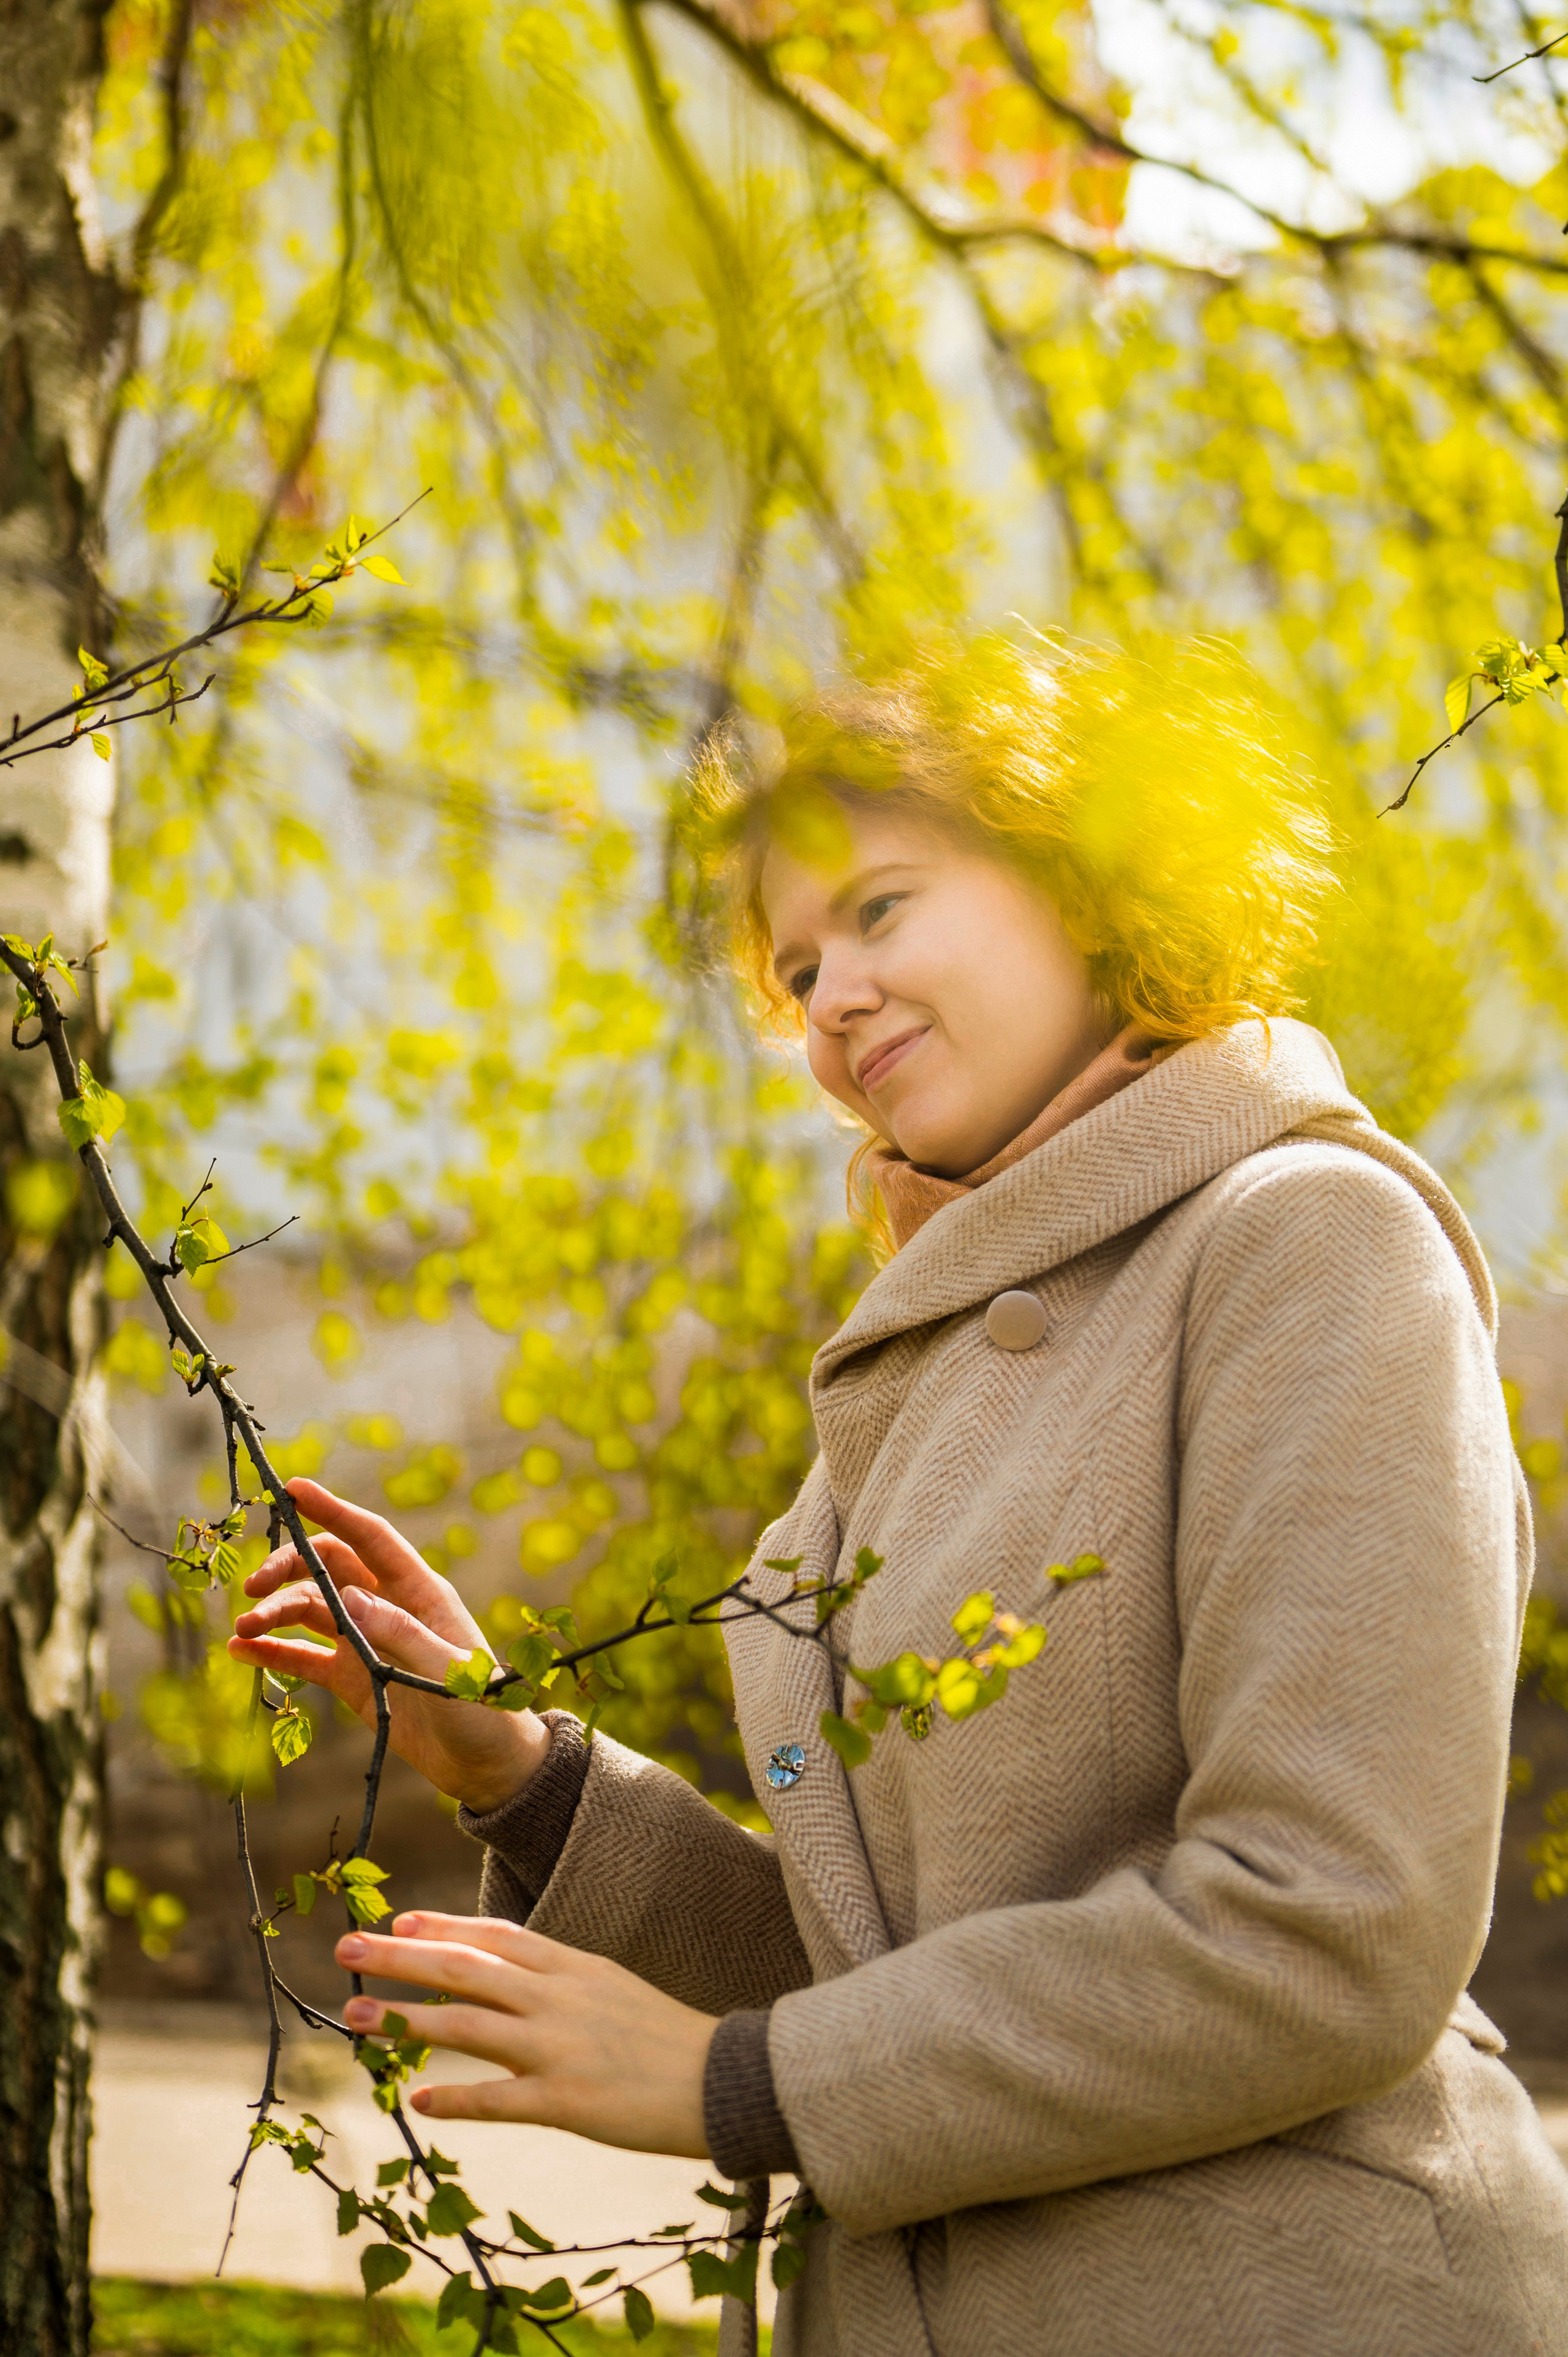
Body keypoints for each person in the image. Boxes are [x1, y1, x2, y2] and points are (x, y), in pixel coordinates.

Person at [230, 636, 1568, 2356]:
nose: (832, 995)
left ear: (1096, 889)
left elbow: (1331, 1925)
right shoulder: (926, 1357)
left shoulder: (1307, 1241)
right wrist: (526, 1777)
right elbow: (893, 1970)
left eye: (881, 910)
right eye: (797, 965)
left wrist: (741, 2084)